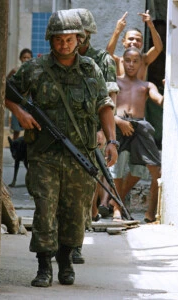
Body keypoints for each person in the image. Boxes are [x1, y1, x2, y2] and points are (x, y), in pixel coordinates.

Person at [5, 10, 118, 288]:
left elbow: (104, 105)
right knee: (45, 209)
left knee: (75, 212)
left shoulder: (91, 69)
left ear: (79, 39)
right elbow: (7, 93)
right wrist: (19, 114)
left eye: (69, 39)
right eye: (58, 39)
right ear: (50, 40)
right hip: (44, 155)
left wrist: (112, 140)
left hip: (80, 154)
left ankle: (66, 261)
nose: (64, 44)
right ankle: (44, 266)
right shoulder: (34, 70)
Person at [102, 10, 163, 217]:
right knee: (114, 166)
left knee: (140, 169)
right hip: (119, 119)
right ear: (124, 42)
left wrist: (151, 25)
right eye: (131, 39)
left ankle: (116, 201)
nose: (134, 42)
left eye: (138, 39)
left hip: (138, 120)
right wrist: (118, 30)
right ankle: (114, 205)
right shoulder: (120, 62)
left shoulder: (144, 61)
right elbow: (108, 51)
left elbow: (159, 48)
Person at [69, 8, 119, 264]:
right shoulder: (64, 57)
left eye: (80, 34)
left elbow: (109, 99)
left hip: (91, 134)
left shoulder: (102, 60)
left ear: (87, 35)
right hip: (65, 134)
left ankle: (77, 240)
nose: (75, 39)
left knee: (85, 190)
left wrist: (105, 133)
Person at [7, 48, 33, 140]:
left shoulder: (33, 71)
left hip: (29, 101)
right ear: (20, 58)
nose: (26, 59)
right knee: (16, 129)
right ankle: (14, 147)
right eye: (24, 57)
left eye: (28, 57)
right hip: (17, 101)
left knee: (29, 127)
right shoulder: (15, 70)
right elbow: (6, 83)